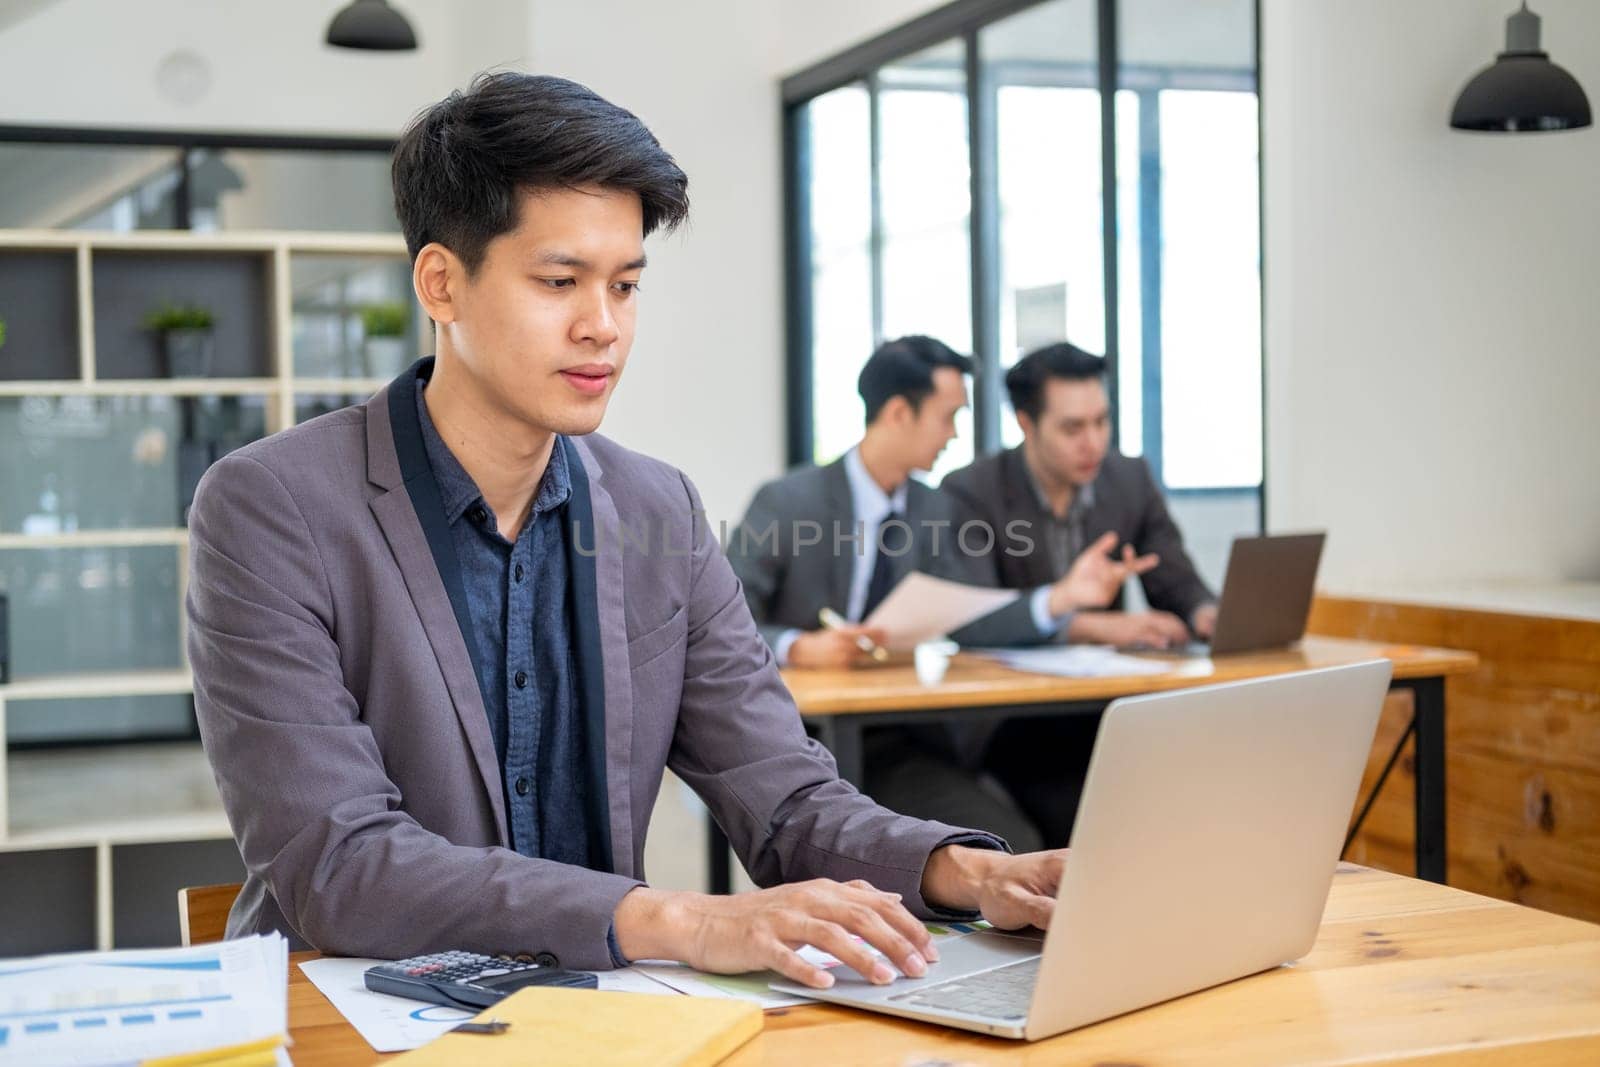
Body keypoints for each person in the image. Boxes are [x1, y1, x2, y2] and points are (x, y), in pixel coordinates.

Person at [185, 73, 1074, 993]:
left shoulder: (662, 511)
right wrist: (679, 918)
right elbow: (340, 862)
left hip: (602, 1015)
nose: (602, 327)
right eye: (560, 281)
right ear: (441, 283)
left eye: (625, 285)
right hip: (358, 1014)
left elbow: (784, 796)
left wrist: (973, 874)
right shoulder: (269, 506)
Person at [726, 335, 1157, 850]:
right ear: (898, 413)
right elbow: (727, 622)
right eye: (947, 416)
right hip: (799, 738)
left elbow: (975, 615)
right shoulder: (788, 502)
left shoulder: (938, 510)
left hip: (896, 738)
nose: (955, 435)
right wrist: (798, 645)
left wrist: (1060, 597)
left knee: (1011, 841)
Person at [941, 340, 1218, 844]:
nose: (1092, 442)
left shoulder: (1128, 480)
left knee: (1199, 804)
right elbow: (972, 620)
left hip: (1110, 709)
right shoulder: (970, 492)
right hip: (1015, 724)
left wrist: (1206, 613)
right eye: (1072, 428)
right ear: (1026, 423)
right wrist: (1086, 620)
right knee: (1102, 823)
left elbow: (1173, 575)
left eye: (1101, 421)